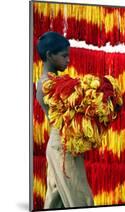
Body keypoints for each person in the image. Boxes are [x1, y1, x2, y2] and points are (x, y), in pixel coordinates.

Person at [36, 31, 94, 209]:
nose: (68, 60)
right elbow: (73, 114)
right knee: (79, 198)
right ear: (49, 56)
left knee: (56, 200)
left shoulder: (54, 81)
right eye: (64, 56)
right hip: (63, 146)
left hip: (59, 144)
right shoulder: (49, 84)